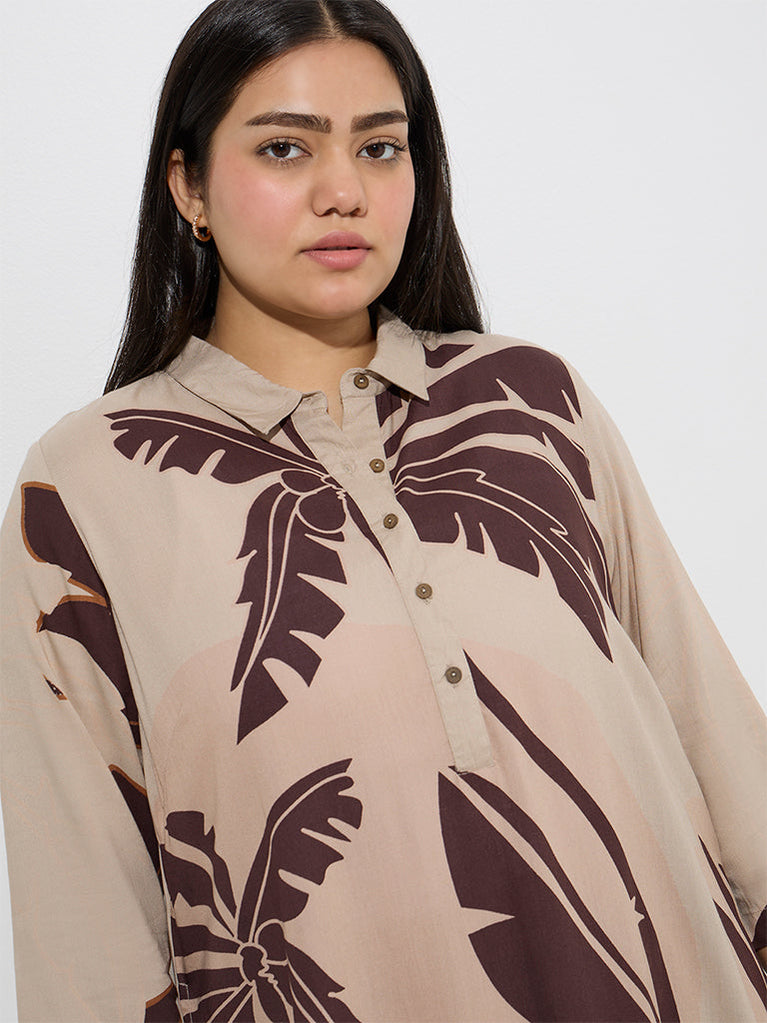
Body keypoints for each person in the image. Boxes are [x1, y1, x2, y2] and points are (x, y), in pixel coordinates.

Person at [1, 0, 765, 1019]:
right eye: (284, 148)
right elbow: (84, 913)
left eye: (379, 147)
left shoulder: (531, 404)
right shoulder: (87, 487)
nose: (343, 192)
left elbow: (716, 740)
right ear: (188, 186)